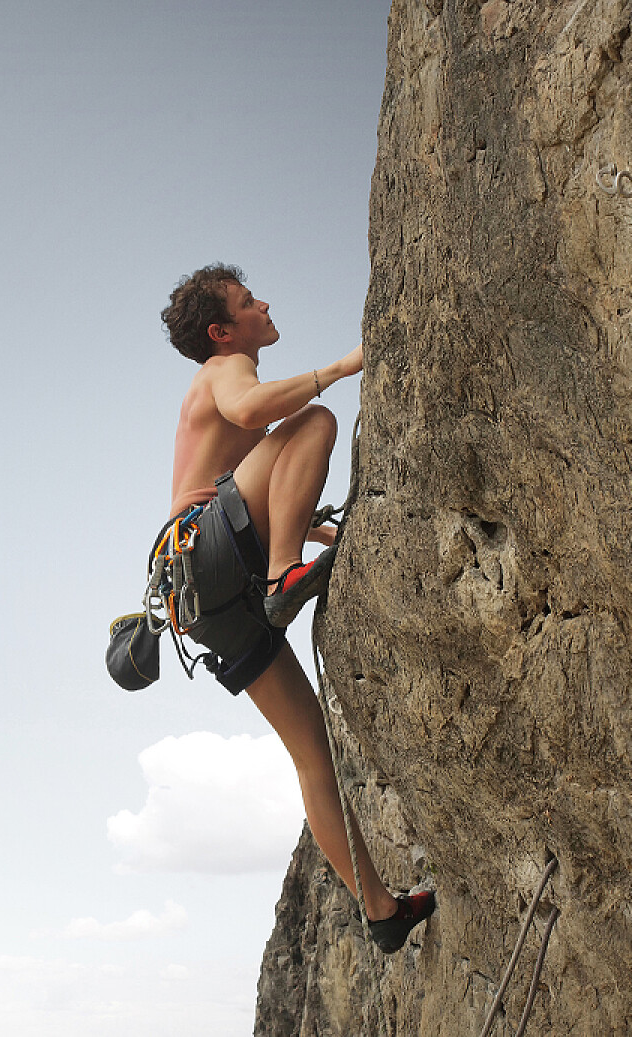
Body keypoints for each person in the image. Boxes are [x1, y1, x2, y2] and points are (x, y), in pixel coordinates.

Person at [159, 263, 433, 952]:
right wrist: (342, 366)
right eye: (250, 302)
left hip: (202, 594)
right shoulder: (226, 370)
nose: (265, 305)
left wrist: (312, 526)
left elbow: (246, 477)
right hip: (218, 561)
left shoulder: (226, 380)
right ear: (223, 331)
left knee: (313, 753)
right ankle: (286, 576)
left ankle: (381, 911)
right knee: (314, 421)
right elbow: (258, 415)